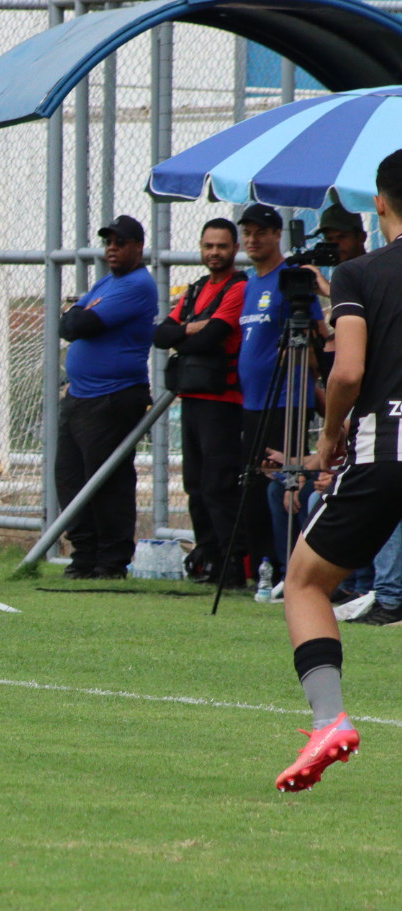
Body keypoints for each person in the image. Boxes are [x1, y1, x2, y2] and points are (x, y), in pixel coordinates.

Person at [274, 149, 402, 792]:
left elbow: (347, 370)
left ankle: (330, 722)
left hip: (389, 451)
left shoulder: (359, 273)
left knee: (305, 581)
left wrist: (329, 437)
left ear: (379, 203)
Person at [56, 215, 158, 580]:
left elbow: (79, 324)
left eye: (120, 242)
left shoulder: (137, 285)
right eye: (108, 242)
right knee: (68, 476)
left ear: (137, 247)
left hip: (113, 397)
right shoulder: (106, 282)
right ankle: (84, 555)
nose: (112, 248)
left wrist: (76, 315)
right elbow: (66, 323)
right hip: (80, 396)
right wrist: (75, 315)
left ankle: (111, 561)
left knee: (106, 481)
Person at [151, 219, 249, 585]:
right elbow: (160, 334)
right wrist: (192, 328)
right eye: (208, 246)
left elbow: (213, 337)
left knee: (219, 484)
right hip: (192, 397)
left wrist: (186, 332)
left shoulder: (238, 288)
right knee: (194, 484)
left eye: (221, 246)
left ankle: (233, 564)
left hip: (222, 401)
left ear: (234, 248)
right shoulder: (195, 290)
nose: (214, 253)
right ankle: (207, 556)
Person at [235, 203, 327, 587]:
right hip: (253, 400)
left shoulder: (290, 278)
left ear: (277, 235)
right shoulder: (248, 283)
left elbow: (318, 336)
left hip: (285, 399)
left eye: (261, 232)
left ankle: (295, 571)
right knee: (258, 486)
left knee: (285, 485)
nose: (253, 239)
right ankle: (266, 567)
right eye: (248, 233)